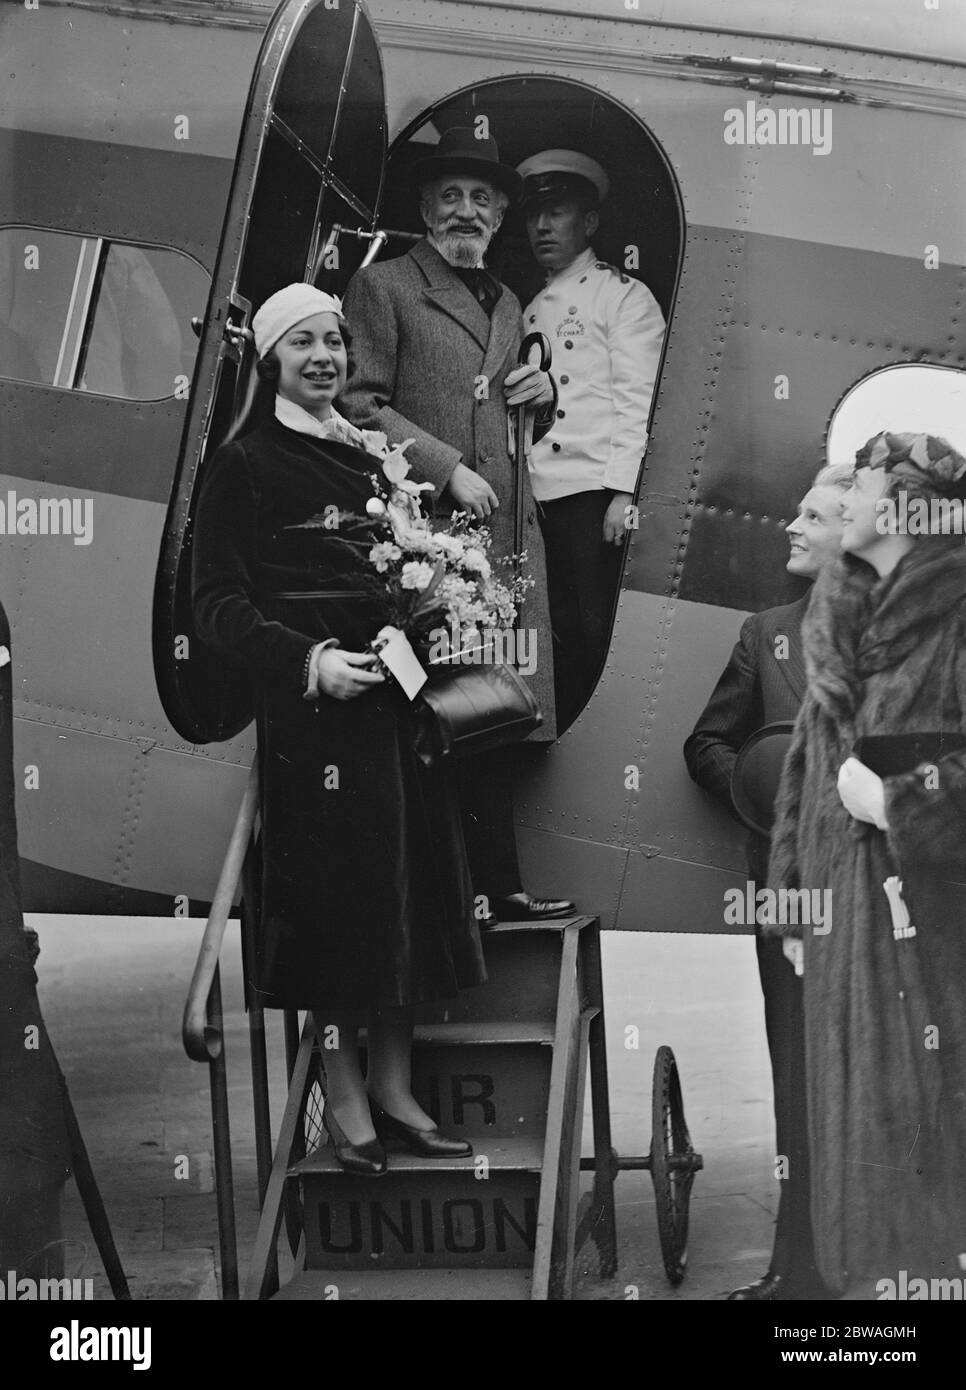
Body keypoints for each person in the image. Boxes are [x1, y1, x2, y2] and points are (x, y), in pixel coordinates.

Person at [192, 284, 485, 1174]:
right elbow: (217, 605)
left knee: (406, 897)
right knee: (335, 908)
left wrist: (416, 627)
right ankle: (346, 1093)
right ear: (271, 359)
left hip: (393, 710)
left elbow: (412, 577)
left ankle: (395, 1088)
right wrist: (310, 662)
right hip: (315, 721)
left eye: (335, 343)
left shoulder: (372, 461)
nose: (324, 357)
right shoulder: (242, 465)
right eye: (303, 344)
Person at [340, 127, 574, 926]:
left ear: (502, 214)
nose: (465, 212)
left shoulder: (506, 301)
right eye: (450, 198)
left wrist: (539, 405)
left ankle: (498, 888)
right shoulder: (385, 287)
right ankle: (453, 896)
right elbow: (358, 405)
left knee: (497, 712)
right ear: (423, 208)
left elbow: (505, 432)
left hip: (505, 545)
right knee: (445, 710)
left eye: (481, 200)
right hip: (423, 544)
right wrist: (445, 469)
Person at [766, 431, 966, 1294]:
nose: (845, 503)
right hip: (841, 930)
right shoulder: (838, 611)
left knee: (925, 1140)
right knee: (852, 1147)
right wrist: (788, 903)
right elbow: (803, 773)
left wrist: (900, 806)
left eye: (865, 490)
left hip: (929, 932)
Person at [684, 462, 851, 1300]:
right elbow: (704, 745)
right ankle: (800, 1274)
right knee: (796, 1078)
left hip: (876, 899)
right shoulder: (765, 632)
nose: (792, 524)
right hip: (786, 897)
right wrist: (760, 784)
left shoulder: (900, 635)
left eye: (812, 515)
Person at [517, 150, 666, 728]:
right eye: (534, 216)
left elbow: (639, 401)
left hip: (592, 495)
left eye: (556, 213)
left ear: (591, 223)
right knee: (547, 626)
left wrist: (623, 492)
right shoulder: (530, 305)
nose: (542, 228)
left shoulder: (622, 297)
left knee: (590, 628)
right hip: (538, 497)